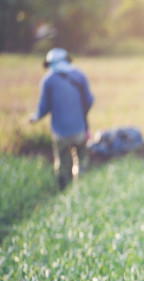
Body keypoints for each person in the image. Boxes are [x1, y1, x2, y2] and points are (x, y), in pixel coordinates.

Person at [30, 48, 94, 190]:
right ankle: (80, 189)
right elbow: (89, 100)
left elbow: (43, 107)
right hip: (80, 129)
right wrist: (81, 114)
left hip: (60, 133)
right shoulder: (80, 75)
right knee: (82, 160)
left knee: (63, 163)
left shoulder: (48, 81)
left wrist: (35, 118)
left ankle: (64, 191)